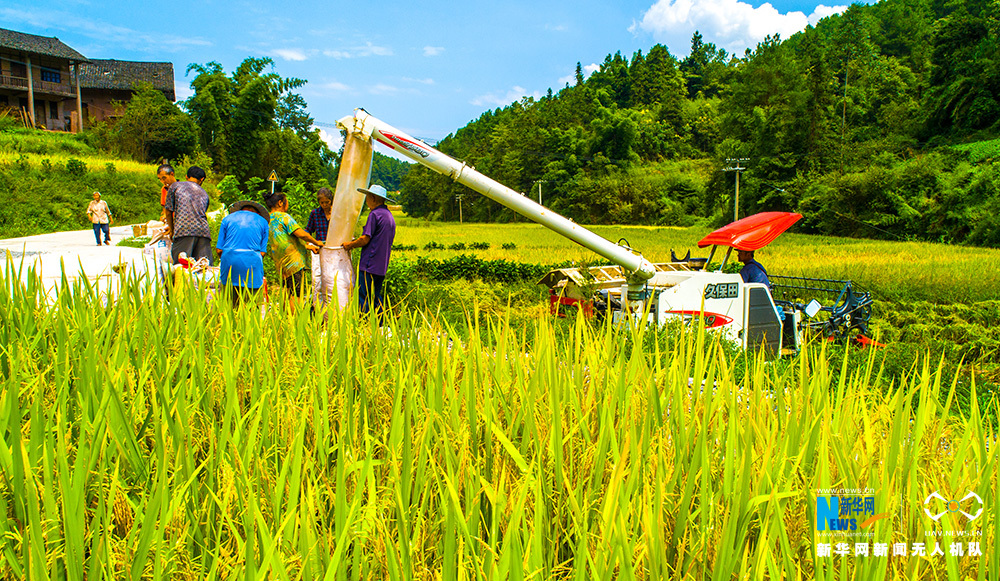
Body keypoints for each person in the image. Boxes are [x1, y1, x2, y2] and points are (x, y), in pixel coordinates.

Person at [343, 184, 396, 319]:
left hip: (370, 263)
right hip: (382, 264)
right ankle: (379, 324)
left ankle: (365, 323)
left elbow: (365, 239)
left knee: (363, 295)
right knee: (376, 295)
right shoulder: (389, 216)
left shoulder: (374, 214)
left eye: (367, 197)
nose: (366, 200)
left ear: (373, 198)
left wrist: (349, 245)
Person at [266, 191, 324, 310]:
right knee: (296, 292)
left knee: (286, 290)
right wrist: (315, 241)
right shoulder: (284, 217)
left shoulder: (268, 219)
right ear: (280, 203)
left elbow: (285, 239)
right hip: (294, 262)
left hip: (281, 262)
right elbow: (299, 233)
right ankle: (295, 322)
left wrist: (308, 246)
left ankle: (283, 318)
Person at [216, 200, 269, 308]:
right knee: (252, 305)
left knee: (229, 304)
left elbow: (219, 250)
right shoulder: (263, 222)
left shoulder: (227, 219)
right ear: (257, 213)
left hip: (229, 262)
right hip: (252, 264)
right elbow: (262, 252)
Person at [165, 166, 212, 265]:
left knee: (182, 267)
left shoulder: (176, 186)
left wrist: (172, 230)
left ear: (186, 176)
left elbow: (168, 211)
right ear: (202, 179)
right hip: (203, 232)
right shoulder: (204, 193)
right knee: (204, 268)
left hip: (184, 230)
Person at [156, 163, 177, 227]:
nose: (163, 181)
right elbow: (164, 209)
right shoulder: (164, 189)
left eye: (164, 178)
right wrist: (164, 216)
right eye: (160, 179)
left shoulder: (181, 189)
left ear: (172, 174)